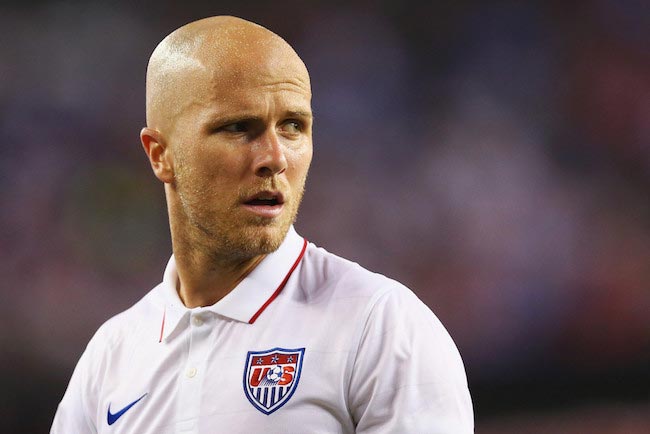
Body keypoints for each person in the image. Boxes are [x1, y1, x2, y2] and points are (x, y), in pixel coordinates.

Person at [51, 16, 473, 434]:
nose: (275, 157)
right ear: (160, 154)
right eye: (238, 127)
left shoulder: (380, 326)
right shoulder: (110, 358)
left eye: (293, 126)